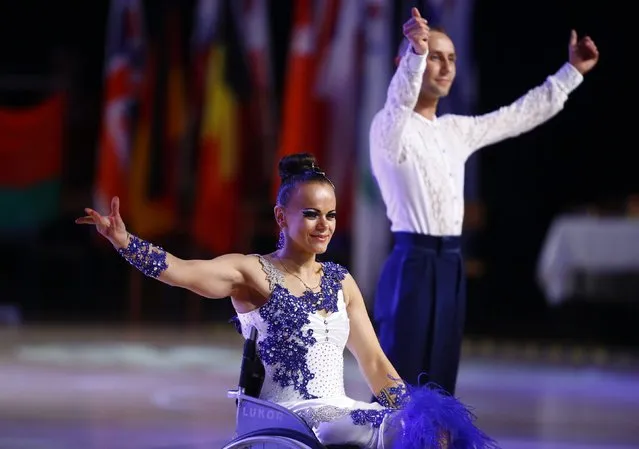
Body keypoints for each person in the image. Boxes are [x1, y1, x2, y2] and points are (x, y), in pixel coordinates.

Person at [77, 153, 498, 448]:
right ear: (282, 217)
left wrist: (418, 411)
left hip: (339, 412)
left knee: (433, 431)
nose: (324, 224)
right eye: (311, 214)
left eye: (331, 215)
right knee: (392, 431)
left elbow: (375, 365)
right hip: (289, 416)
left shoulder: (340, 281)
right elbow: (182, 272)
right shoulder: (253, 272)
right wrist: (124, 241)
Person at [370, 7, 599, 395]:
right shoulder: (389, 127)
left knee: (440, 379)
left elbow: (516, 116)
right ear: (405, 60)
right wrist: (416, 54)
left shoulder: (456, 129)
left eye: (451, 58)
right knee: (399, 379)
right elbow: (399, 100)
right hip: (412, 264)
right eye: (434, 56)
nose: (444, 66)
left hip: (450, 264)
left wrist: (572, 72)